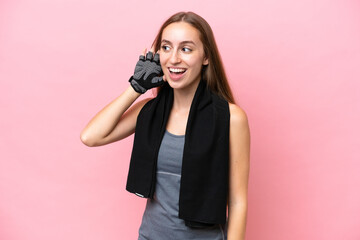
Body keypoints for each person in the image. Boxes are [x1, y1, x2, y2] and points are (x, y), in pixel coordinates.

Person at [80, 11, 250, 240]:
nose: (174, 59)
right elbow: (91, 137)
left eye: (186, 49)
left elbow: (238, 202)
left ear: (206, 57)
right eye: (166, 47)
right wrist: (136, 87)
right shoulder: (149, 110)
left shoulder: (231, 118)